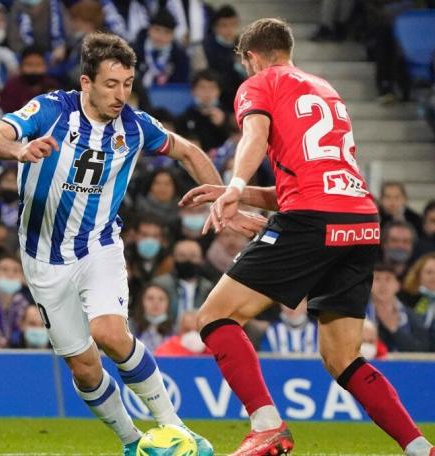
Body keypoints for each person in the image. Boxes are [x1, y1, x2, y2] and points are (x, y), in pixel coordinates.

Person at [0, 31, 263, 455]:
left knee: (109, 331)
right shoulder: (51, 110)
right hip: (43, 258)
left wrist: (227, 202)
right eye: (111, 84)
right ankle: (132, 443)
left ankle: (177, 429)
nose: (120, 94)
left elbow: (190, 153)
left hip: (98, 246)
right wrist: (19, 150)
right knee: (84, 368)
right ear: (86, 82)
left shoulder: (137, 126)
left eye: (127, 84)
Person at [180, 18, 434, 456]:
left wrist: (237, 185)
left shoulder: (260, 83)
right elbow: (311, 181)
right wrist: (237, 193)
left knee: (214, 317)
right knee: (343, 357)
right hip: (360, 220)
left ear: (252, 57)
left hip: (313, 220)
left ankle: (267, 426)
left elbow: (254, 136)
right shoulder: (325, 90)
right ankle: (419, 448)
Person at [366, 264, 429, 353]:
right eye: (377, 279)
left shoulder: (411, 315)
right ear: (368, 285)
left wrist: (394, 329)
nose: (383, 285)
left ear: (398, 285)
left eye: (388, 279)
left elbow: (423, 351)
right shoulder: (359, 314)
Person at [153, 239, 215, 323]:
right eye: (182, 256)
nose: (188, 260)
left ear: (201, 259)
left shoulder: (210, 289)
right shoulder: (160, 285)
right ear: (174, 258)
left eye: (193, 256)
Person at [129, 284, 175, 352]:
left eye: (161, 299)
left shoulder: (176, 330)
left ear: (168, 304)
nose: (156, 303)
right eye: (150, 298)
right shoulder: (128, 328)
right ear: (141, 302)